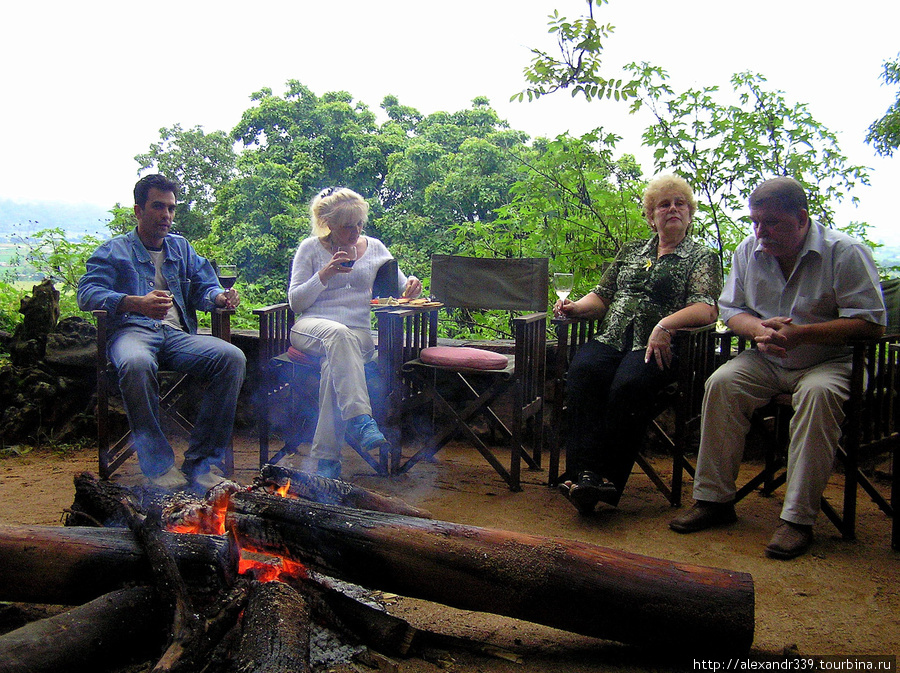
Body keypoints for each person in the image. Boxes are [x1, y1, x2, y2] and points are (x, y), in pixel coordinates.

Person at [669, 177, 886, 560]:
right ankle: (714, 500)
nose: (760, 231)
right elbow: (732, 310)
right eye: (755, 221)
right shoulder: (747, 251)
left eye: (770, 223)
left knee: (818, 395)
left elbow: (872, 323)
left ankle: (798, 520)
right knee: (721, 382)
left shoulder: (846, 252)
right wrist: (757, 330)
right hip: (767, 358)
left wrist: (802, 335)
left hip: (833, 361)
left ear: (801, 218)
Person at [555, 175, 721, 514]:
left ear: (690, 213)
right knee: (584, 372)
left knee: (627, 385)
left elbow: (706, 308)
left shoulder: (702, 257)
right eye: (664, 204)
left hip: (658, 345)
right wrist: (576, 308)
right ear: (651, 216)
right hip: (613, 336)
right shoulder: (631, 251)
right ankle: (581, 477)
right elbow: (602, 297)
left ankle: (604, 480)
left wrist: (665, 324)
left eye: (680, 204)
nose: (672, 209)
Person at [77, 174, 246, 492]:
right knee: (137, 363)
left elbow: (204, 286)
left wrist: (219, 298)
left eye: (170, 208)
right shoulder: (114, 251)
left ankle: (200, 462)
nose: (166, 215)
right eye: (158, 207)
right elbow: (87, 294)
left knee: (232, 357)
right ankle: (158, 465)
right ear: (138, 211)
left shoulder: (181, 248)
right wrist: (133, 303)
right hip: (132, 332)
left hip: (177, 336)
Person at [288, 186, 422, 479]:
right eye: (348, 226)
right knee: (338, 335)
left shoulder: (375, 247)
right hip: (312, 328)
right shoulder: (309, 249)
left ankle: (326, 461)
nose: (356, 231)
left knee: (331, 368)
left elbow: (401, 288)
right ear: (329, 224)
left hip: (358, 333)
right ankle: (360, 419)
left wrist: (412, 284)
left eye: (360, 224)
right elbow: (296, 302)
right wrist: (325, 274)